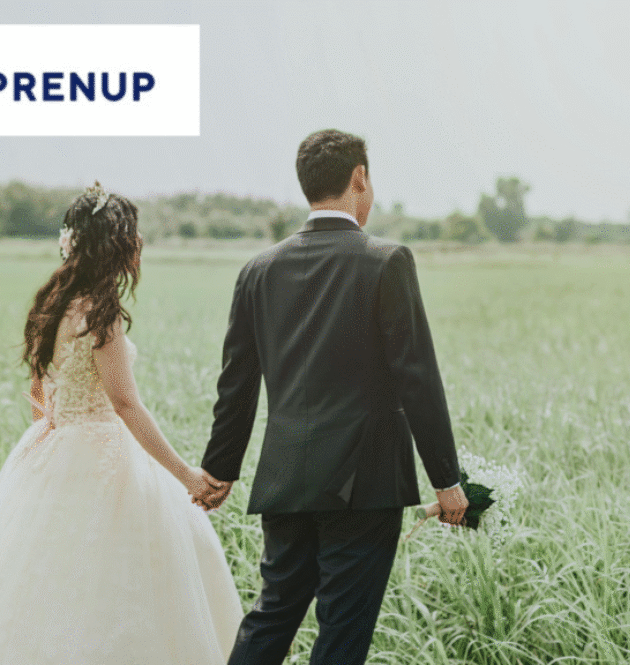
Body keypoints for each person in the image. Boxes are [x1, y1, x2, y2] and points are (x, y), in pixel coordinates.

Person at [0, 183, 243, 664]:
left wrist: (56, 430)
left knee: (42, 584)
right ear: (117, 246)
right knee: (114, 587)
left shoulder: (54, 302)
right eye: (133, 237)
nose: (139, 245)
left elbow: (41, 394)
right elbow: (127, 405)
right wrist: (186, 475)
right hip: (104, 454)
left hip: (52, 447)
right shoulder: (101, 314)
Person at [195, 129, 469, 665]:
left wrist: (220, 469)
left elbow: (237, 383)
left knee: (271, 618)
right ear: (359, 177)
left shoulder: (257, 270)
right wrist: (447, 480)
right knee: (342, 635)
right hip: (364, 485)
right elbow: (418, 378)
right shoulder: (387, 261)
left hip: (286, 480)